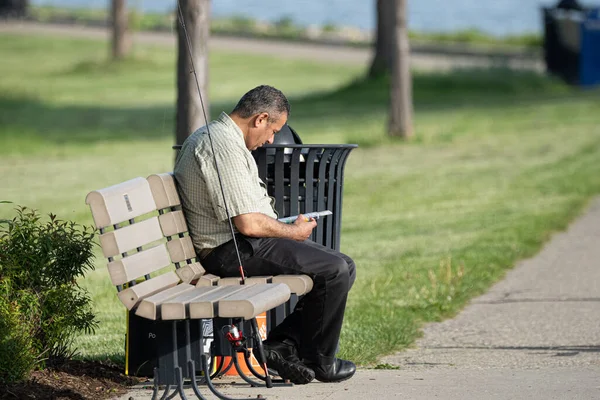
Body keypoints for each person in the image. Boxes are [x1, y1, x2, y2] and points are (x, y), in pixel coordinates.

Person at [174, 85, 356, 384]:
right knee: (334, 270)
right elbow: (247, 224)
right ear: (260, 119)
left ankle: (282, 346)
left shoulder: (227, 140)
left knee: (343, 265)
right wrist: (292, 232)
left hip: (241, 243)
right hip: (231, 250)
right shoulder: (220, 144)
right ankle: (319, 361)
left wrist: (283, 227)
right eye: (274, 129)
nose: (272, 139)